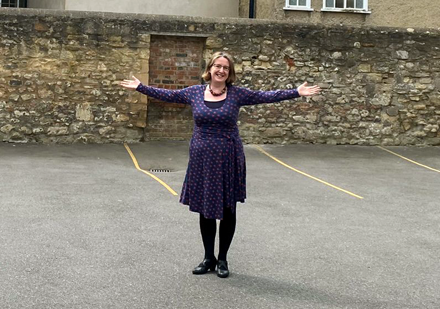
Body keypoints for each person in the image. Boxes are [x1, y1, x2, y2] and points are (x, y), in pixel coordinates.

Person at [119, 52, 320, 278]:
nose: (221, 70)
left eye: (225, 67)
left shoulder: (237, 94)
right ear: (210, 69)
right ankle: (208, 258)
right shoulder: (194, 92)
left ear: (229, 72)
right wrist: (140, 87)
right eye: (217, 66)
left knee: (226, 209)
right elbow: (168, 94)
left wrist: (296, 92)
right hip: (202, 159)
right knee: (206, 209)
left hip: (228, 157)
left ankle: (223, 258)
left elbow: (265, 95)